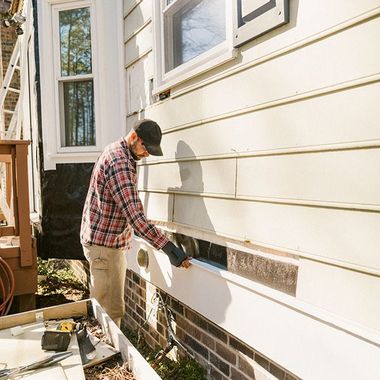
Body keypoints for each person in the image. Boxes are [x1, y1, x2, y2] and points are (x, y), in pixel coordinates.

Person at [80, 119, 191, 327]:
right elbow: (136, 218)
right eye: (145, 148)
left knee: (108, 310)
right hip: (104, 248)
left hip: (104, 243)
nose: (146, 154)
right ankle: (103, 355)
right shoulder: (119, 163)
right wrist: (170, 249)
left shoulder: (117, 151)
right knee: (108, 314)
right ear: (133, 137)